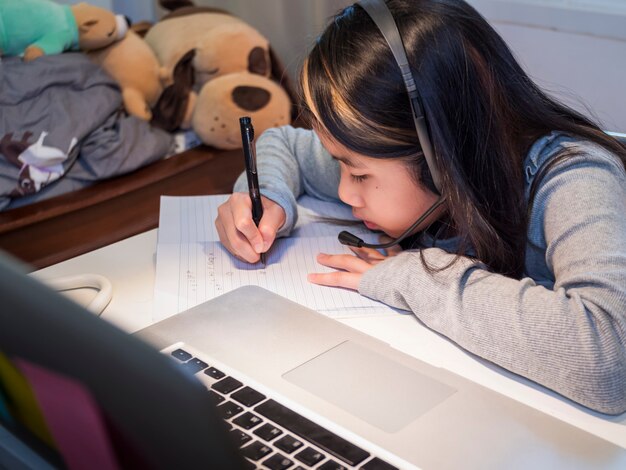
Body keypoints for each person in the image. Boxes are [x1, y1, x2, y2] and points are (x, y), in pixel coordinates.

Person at [215, 0, 626, 415]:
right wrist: (268, 196)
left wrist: (416, 274)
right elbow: (282, 143)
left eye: (358, 175)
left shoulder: (574, 178)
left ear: (440, 157)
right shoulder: (393, 150)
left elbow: (608, 359)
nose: (345, 193)